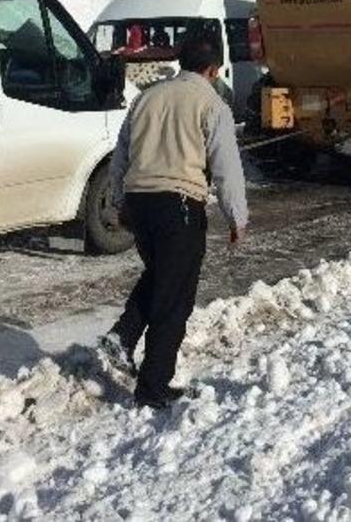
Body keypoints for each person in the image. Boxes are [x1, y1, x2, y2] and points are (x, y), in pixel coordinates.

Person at [99, 36, 249, 409]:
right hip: (179, 206)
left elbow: (121, 155)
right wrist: (237, 216)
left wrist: (119, 201)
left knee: (163, 277)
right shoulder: (212, 104)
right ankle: (153, 388)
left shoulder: (146, 97)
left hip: (139, 204)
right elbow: (227, 167)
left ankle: (123, 335)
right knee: (175, 298)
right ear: (213, 70)